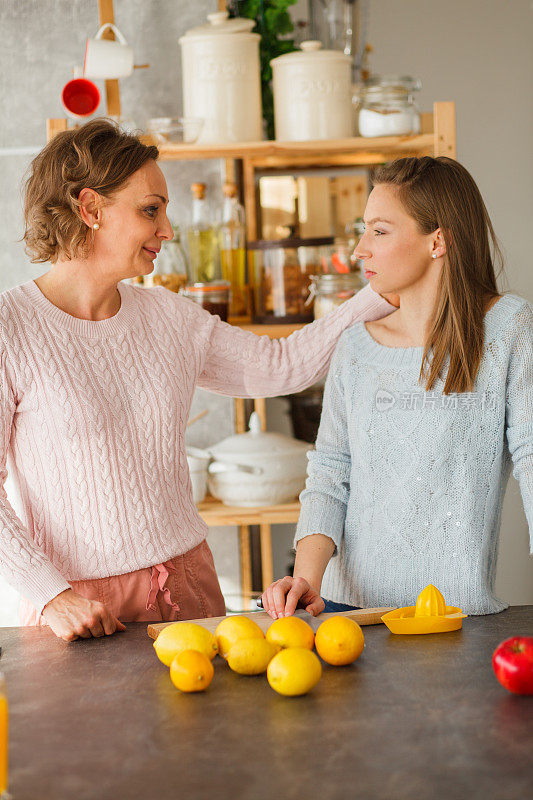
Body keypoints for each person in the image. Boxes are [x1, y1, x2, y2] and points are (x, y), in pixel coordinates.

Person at [0, 118, 398, 642]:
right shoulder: (12, 328)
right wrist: (50, 594)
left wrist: (382, 293)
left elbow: (283, 366)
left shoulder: (170, 317)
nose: (167, 230)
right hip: (78, 607)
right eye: (151, 210)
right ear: (90, 209)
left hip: (188, 586)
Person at [261, 155, 532, 620]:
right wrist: (305, 579)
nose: (360, 250)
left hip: (453, 619)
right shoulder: (355, 347)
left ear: (438, 241)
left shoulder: (509, 330)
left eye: (379, 231)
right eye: (363, 230)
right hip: (352, 616)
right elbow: (330, 472)